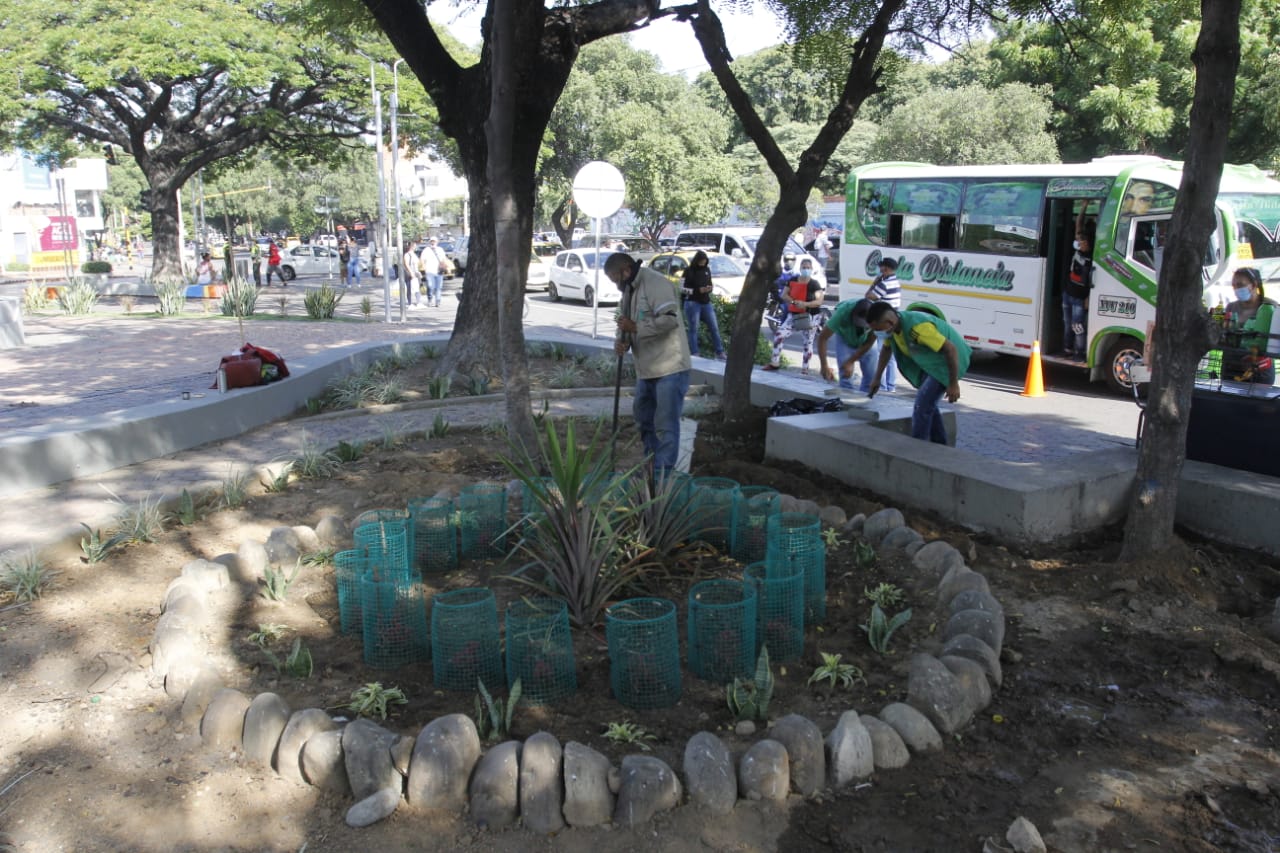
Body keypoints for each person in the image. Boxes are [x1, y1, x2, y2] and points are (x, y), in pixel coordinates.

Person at [605, 251, 692, 477]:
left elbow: (670, 320)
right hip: (646, 370)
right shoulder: (628, 291)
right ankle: (651, 468)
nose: (615, 285)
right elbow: (624, 323)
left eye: (616, 279)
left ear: (625, 270)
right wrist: (621, 341)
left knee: (665, 425)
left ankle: (662, 478)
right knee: (644, 419)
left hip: (670, 367)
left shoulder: (655, 283)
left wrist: (636, 328)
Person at [866, 302, 972, 445]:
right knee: (928, 405)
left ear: (889, 322)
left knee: (921, 405)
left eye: (878, 329)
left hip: (946, 363)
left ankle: (917, 449)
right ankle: (940, 445)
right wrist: (877, 378)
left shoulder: (917, 329)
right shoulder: (893, 330)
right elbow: (886, 350)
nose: (877, 333)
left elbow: (951, 349)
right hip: (929, 364)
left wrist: (953, 384)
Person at [762, 260, 824, 374]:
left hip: (811, 316)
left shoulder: (814, 284)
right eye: (804, 267)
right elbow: (784, 295)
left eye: (808, 267)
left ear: (811, 269)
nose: (806, 269)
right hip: (794, 313)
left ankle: (805, 369)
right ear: (800, 268)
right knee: (779, 335)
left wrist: (805, 304)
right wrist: (794, 302)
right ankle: (774, 363)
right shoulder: (793, 280)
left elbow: (819, 301)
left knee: (807, 342)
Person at [1223, 267, 1276, 384]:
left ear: (1254, 285)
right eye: (1234, 285)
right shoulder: (1231, 307)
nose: (1236, 289)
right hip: (1231, 367)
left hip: (1260, 370)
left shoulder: (1270, 307)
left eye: (1240, 284)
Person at [818, 298, 875, 391]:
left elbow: (870, 342)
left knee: (871, 379)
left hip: (866, 342)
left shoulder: (877, 315)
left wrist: (850, 361)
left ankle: (865, 401)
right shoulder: (843, 312)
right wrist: (824, 365)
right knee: (845, 378)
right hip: (845, 338)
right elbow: (823, 338)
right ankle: (846, 402)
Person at [862, 257, 900, 392]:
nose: (880, 271)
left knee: (880, 354)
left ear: (886, 268)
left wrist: (874, 283)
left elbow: (868, 296)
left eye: (881, 268)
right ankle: (891, 386)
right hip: (894, 319)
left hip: (883, 321)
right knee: (891, 356)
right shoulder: (895, 281)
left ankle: (882, 386)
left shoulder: (884, 284)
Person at [681, 250, 726, 361]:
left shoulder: (707, 270)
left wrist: (709, 288)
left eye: (704, 262)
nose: (702, 264)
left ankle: (719, 351)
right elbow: (681, 288)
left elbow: (710, 283)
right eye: (701, 261)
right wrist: (696, 291)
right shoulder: (688, 271)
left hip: (706, 302)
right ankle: (695, 352)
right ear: (697, 260)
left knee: (714, 327)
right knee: (694, 329)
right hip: (692, 302)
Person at [1062, 224, 1094, 359]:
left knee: (1078, 326)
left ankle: (1080, 352)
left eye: (1084, 242)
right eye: (1080, 241)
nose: (1081, 244)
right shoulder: (1076, 251)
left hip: (1080, 297)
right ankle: (1067, 348)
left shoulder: (1091, 259)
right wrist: (1082, 209)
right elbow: (1077, 229)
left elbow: (1091, 281)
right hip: (1068, 294)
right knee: (1067, 324)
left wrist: (1088, 298)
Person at [421, 237, 447, 307]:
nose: (433, 243)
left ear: (437, 242)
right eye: (432, 241)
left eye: (434, 241)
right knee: (430, 286)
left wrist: (444, 266)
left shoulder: (440, 250)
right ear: (430, 242)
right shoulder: (426, 250)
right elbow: (422, 259)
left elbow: (443, 259)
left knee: (439, 287)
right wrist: (423, 268)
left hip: (439, 271)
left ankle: (438, 301)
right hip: (429, 271)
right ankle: (430, 299)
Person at [402, 239, 421, 307]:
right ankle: (410, 303)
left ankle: (418, 302)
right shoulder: (407, 255)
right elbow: (406, 264)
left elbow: (417, 263)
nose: (415, 247)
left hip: (415, 273)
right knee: (409, 288)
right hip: (409, 274)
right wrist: (411, 273)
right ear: (411, 246)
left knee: (417, 287)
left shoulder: (414, 254)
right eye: (415, 246)